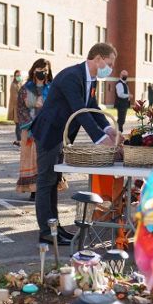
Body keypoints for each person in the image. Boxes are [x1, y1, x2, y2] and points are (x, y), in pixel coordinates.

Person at [31, 42, 119, 245]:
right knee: (46, 182)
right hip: (49, 133)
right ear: (97, 58)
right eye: (110, 63)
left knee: (54, 181)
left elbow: (91, 107)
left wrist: (108, 129)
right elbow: (80, 112)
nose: (111, 68)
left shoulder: (91, 79)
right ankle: (46, 232)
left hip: (62, 135)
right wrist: (100, 139)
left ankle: (55, 229)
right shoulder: (72, 76)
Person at [16, 59, 53, 201]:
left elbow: (55, 107)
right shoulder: (25, 89)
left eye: (45, 70)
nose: (42, 72)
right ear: (34, 70)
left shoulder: (51, 88)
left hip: (47, 129)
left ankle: (46, 188)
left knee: (46, 159)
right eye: (39, 69)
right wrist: (32, 124)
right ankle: (33, 190)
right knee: (32, 159)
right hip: (30, 130)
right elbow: (20, 109)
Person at [7, 70, 23, 146]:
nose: (18, 77)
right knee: (18, 124)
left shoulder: (20, 83)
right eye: (17, 75)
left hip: (21, 108)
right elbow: (15, 98)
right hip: (16, 107)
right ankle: (19, 140)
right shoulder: (13, 85)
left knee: (20, 125)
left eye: (19, 75)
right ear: (14, 76)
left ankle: (20, 140)